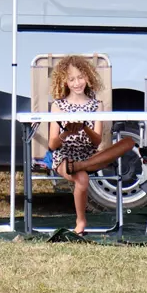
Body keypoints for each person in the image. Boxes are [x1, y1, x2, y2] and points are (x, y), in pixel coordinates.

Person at [45, 54, 114, 234]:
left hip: (88, 156)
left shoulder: (96, 105)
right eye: (72, 79)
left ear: (88, 78)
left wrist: (84, 126)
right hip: (64, 156)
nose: (77, 83)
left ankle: (81, 166)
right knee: (82, 178)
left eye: (80, 77)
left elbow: (97, 141)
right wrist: (67, 131)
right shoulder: (58, 106)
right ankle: (81, 221)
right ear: (65, 82)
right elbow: (52, 145)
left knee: (128, 143)